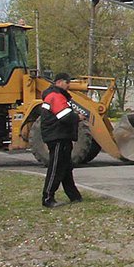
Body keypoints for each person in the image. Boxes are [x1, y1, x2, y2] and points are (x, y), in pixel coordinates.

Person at [40, 73, 83, 208]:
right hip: (57, 136)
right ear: (59, 82)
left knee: (65, 167)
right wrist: (78, 117)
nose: (68, 84)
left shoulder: (56, 95)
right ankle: (47, 198)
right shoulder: (56, 96)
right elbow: (65, 116)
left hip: (61, 135)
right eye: (67, 82)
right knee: (56, 167)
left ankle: (74, 195)